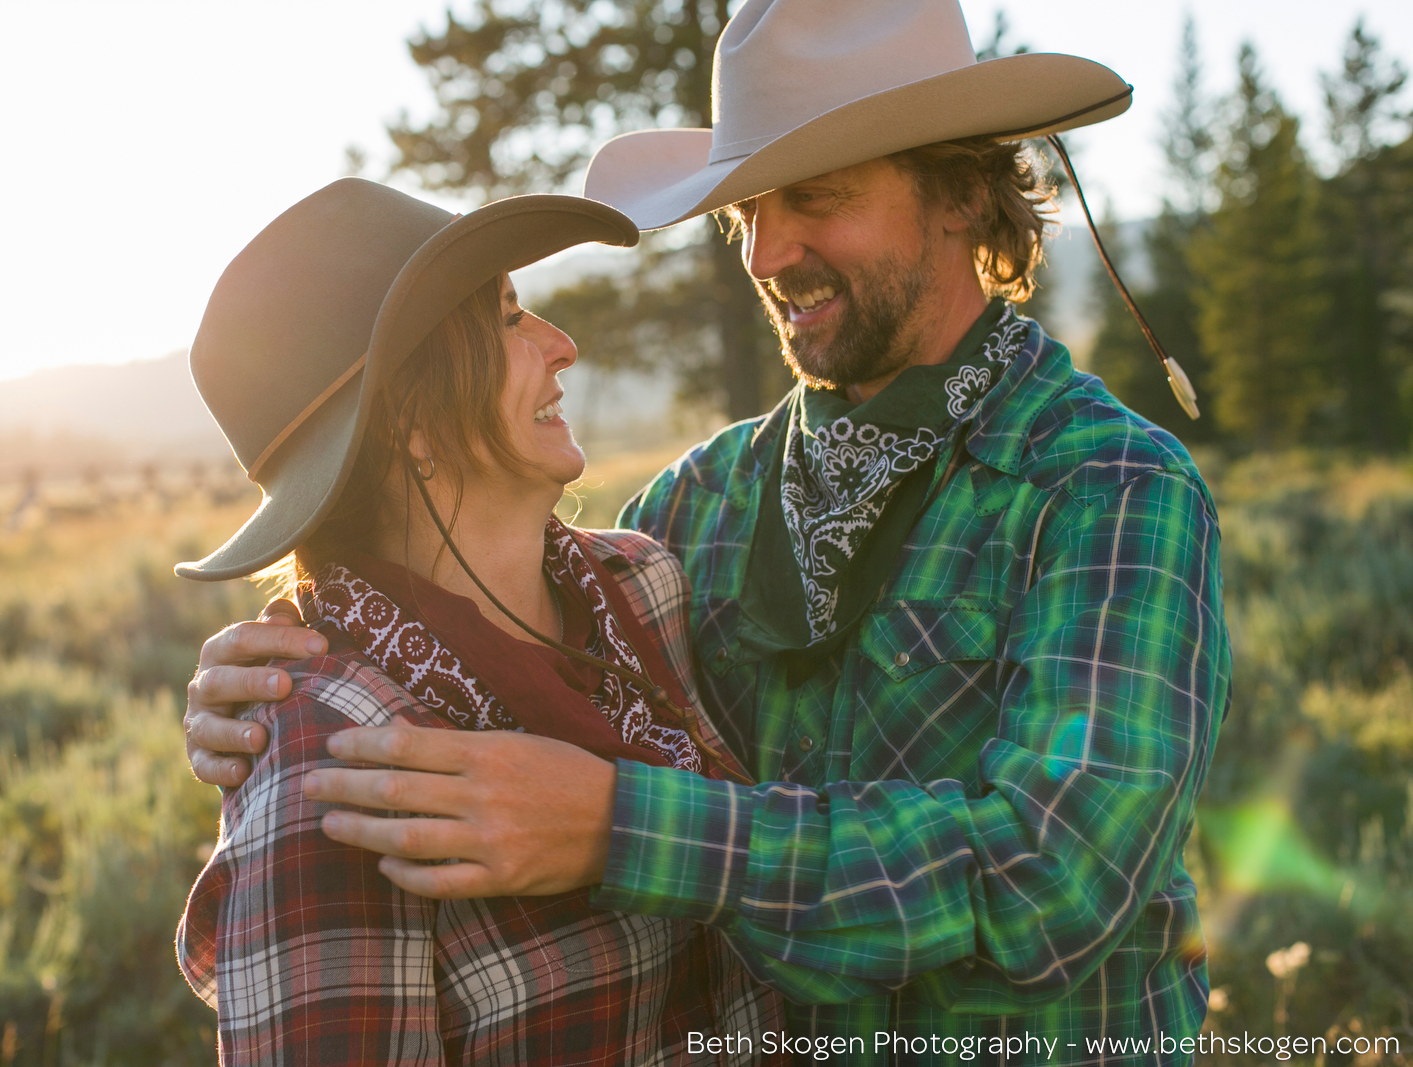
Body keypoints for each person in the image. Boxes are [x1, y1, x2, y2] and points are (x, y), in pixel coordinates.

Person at [185, 0, 1231, 1060]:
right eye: (745, 214)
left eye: (816, 198)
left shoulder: (1104, 486)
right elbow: (503, 621)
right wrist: (285, 664)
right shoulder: (692, 513)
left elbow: (1053, 876)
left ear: (961, 192)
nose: (769, 252)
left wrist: (619, 827)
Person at [173, 178, 783, 1065]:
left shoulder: (645, 586)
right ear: (412, 419)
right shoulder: (333, 763)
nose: (561, 345)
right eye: (506, 319)